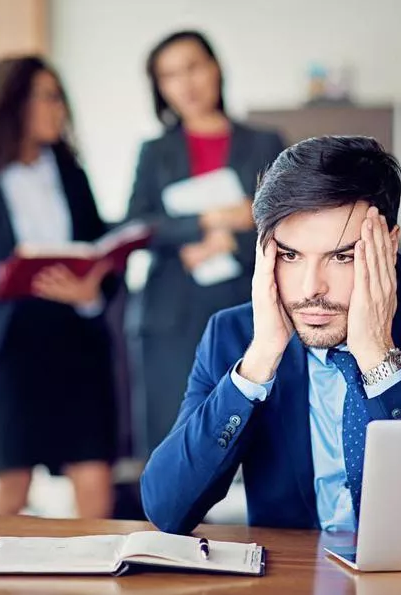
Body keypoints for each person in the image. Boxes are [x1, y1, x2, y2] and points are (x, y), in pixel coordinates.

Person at [141, 136, 401, 534]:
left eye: (342, 257)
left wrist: (378, 357)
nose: (311, 288)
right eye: (290, 256)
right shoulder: (234, 333)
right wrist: (259, 363)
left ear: (389, 244)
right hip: (290, 579)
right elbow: (167, 508)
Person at [0, 56, 119, 519]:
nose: (58, 108)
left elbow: (103, 255)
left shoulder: (72, 175)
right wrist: (2, 279)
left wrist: (91, 291)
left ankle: (98, 584)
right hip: (12, 349)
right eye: (47, 96)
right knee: (13, 487)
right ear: (13, 105)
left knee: (94, 477)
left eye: (58, 97)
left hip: (77, 343)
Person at [126, 30, 286, 456]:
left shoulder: (265, 142)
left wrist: (230, 241)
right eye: (170, 75)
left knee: (263, 435)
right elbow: (138, 225)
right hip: (171, 314)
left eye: (194, 66)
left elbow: (289, 218)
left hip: (245, 304)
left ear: (215, 67)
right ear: (160, 88)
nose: (187, 83)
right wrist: (207, 221)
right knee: (174, 440)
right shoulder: (154, 151)